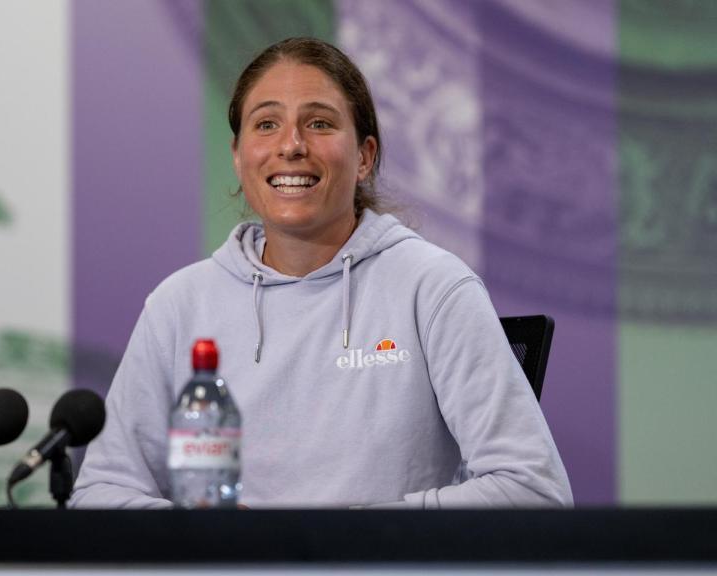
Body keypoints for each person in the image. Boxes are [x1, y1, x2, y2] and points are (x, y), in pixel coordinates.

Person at [70, 37, 572, 508]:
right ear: (239, 157)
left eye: (319, 123)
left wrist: (343, 536)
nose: (291, 145)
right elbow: (101, 492)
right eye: (266, 124)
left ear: (364, 158)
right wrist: (212, 537)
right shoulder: (179, 305)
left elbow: (532, 488)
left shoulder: (433, 287)